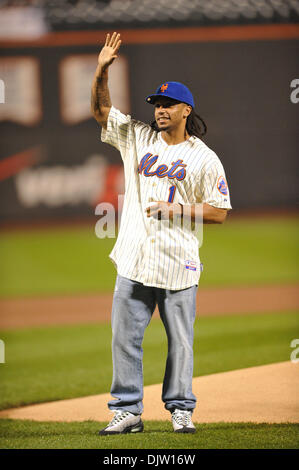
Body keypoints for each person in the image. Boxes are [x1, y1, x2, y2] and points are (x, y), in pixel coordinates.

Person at [91, 32, 232, 435]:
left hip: (179, 264)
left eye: (168, 104)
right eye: (156, 104)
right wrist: (101, 70)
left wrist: (178, 209)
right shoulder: (137, 137)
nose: (160, 110)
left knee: (181, 344)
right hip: (134, 259)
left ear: (186, 109)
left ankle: (181, 409)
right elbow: (102, 112)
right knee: (124, 341)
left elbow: (220, 213)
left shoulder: (204, 158)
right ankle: (127, 411)